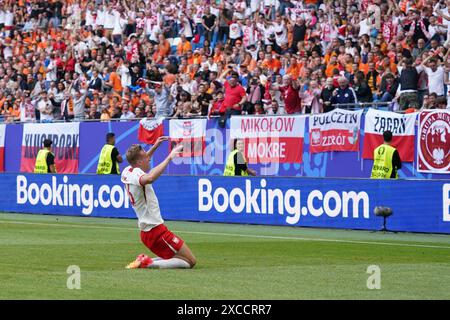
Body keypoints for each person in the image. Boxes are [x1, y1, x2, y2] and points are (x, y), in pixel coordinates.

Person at [122, 138, 196, 269]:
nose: (149, 158)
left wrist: (155, 146)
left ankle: (145, 260)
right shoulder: (138, 175)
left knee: (175, 258)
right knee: (190, 261)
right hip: (155, 230)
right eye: (146, 156)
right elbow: (149, 178)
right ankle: (148, 263)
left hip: (147, 232)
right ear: (138, 162)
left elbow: (142, 162)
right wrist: (169, 158)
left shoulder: (128, 170)